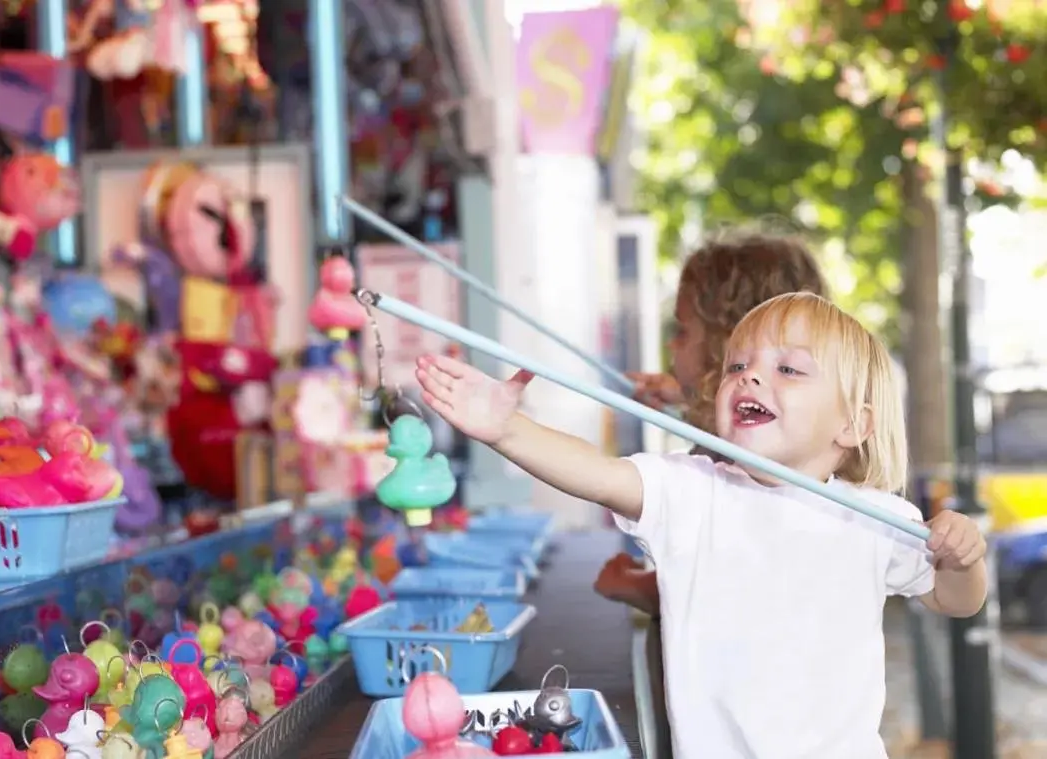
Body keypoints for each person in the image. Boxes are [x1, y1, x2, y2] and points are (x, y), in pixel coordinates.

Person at [414, 291, 987, 758]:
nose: (750, 378)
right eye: (739, 365)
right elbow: (596, 473)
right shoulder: (694, 489)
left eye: (788, 369)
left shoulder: (879, 519)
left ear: (852, 424)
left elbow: (953, 600)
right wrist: (506, 430)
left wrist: (965, 560)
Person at [596, 232, 830, 619]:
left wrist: (633, 586)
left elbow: (726, 595)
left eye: (683, 331)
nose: (672, 347)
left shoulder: (738, 464)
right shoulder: (798, 445)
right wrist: (688, 397)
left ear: (725, 344)